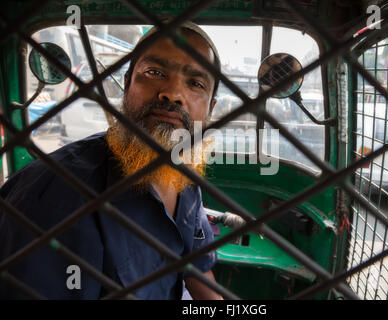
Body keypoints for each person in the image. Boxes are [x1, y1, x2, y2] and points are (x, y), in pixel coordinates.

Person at [0, 21, 223, 300]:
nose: (173, 94)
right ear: (128, 84)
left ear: (211, 108)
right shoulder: (54, 199)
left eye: (196, 84)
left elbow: (197, 268)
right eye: (155, 72)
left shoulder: (183, 173)